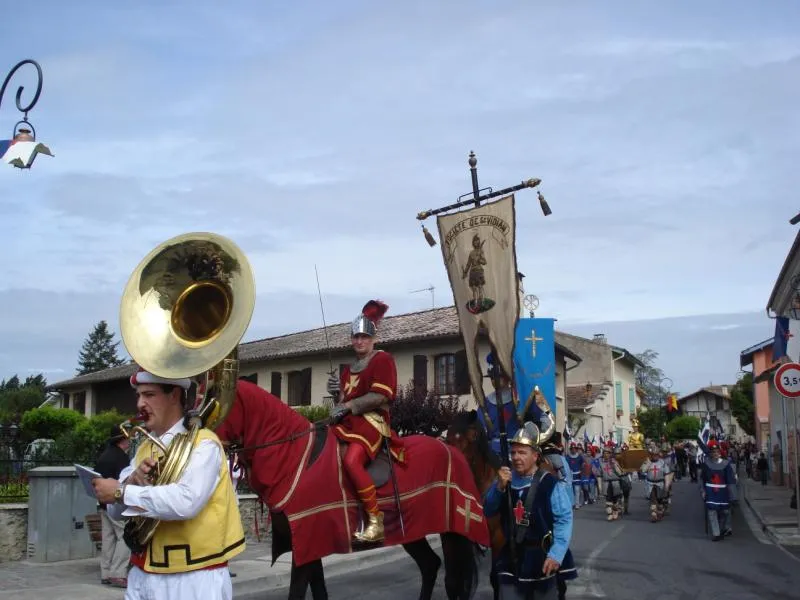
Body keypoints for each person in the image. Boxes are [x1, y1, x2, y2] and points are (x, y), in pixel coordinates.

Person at [93, 369, 246, 600]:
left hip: (194, 576)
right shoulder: (145, 446)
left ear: (174, 395)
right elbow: (119, 512)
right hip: (143, 571)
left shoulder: (204, 443)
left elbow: (186, 502)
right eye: (138, 396)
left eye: (149, 395)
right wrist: (128, 486)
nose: (140, 404)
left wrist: (122, 491)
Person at [328, 300, 406, 543]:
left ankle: (375, 520)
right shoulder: (347, 369)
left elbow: (380, 395)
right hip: (350, 423)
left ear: (373, 338)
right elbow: (343, 401)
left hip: (372, 422)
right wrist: (336, 394)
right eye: (356, 337)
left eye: (364, 336)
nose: (359, 341)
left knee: (352, 461)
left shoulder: (382, 360)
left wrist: (347, 405)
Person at [483, 422, 576, 600]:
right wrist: (499, 488)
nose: (516, 457)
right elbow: (488, 510)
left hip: (542, 557)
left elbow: (564, 519)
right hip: (511, 556)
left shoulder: (550, 483)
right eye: (513, 453)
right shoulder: (505, 480)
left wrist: (556, 554)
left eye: (522, 453)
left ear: (535, 456)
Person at [95, 425, 132, 588]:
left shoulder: (103, 456)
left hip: (102, 503)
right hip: (116, 504)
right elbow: (124, 481)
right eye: (127, 438)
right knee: (125, 536)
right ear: (121, 440)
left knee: (108, 539)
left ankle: (105, 573)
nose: (129, 441)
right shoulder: (121, 458)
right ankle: (117, 573)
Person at [701, 441, 737, 541]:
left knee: (725, 512)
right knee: (712, 511)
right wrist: (703, 491)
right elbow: (702, 479)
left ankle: (722, 529)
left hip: (723, 492)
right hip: (710, 491)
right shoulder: (706, 464)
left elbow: (731, 480)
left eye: (717, 451)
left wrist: (733, 496)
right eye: (713, 452)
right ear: (710, 453)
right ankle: (716, 533)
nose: (715, 453)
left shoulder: (726, 464)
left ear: (719, 452)